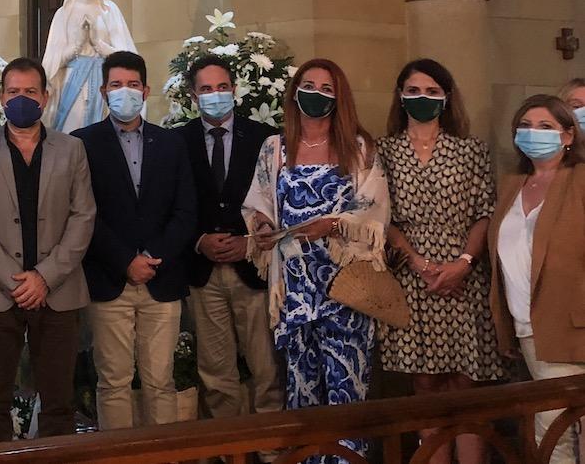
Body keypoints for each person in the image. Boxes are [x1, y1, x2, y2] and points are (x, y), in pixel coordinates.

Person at [243, 58, 389, 464]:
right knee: (302, 392)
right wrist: (261, 223)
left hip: (345, 286)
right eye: (309, 85)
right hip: (294, 287)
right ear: (294, 93)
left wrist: (334, 223)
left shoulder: (358, 148)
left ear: (339, 98)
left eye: (327, 88)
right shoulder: (275, 147)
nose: (317, 94)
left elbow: (374, 210)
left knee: (346, 390)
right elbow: (259, 201)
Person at [0, 57, 96, 444]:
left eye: (30, 92)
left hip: (58, 290)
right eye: (14, 92)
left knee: (58, 402)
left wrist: (44, 277)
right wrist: (15, 280)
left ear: (45, 98)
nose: (22, 99)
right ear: (1, 98)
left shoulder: (72, 149)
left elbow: (83, 216)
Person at [377, 59, 503, 464]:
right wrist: (416, 261)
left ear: (447, 97)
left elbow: (485, 212)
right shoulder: (385, 150)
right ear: (400, 95)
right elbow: (384, 216)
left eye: (432, 91)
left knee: (464, 384)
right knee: (426, 383)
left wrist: (463, 262)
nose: (423, 98)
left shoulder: (470, 148)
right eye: (413, 91)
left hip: (464, 274)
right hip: (413, 275)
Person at [74, 50, 196, 429]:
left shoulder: (172, 144)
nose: (124, 91)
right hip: (110, 279)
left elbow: (186, 211)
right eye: (116, 85)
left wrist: (154, 257)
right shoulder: (82, 144)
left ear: (146, 90)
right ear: (103, 91)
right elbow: (84, 214)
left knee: (161, 382)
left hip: (162, 278)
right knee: (113, 383)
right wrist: (125, 260)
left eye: (132, 84)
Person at [177, 54, 281, 421]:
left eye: (221, 87)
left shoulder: (265, 139)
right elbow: (173, 204)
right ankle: (230, 452)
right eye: (206, 89)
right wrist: (198, 240)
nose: (215, 94)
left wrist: (249, 242)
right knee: (216, 373)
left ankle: (272, 452)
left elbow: (276, 202)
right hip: (203, 272)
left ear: (234, 90)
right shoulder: (178, 141)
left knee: (267, 369)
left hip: (253, 269)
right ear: (193, 95)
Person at [489, 95, 585, 464]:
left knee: (567, 427)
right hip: (529, 327)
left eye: (545, 127)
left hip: (574, 324)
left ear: (568, 136)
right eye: (526, 126)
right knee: (552, 430)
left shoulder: (578, 180)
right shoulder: (512, 184)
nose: (534, 134)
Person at [40, 0, 137, 133]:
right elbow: (52, 61)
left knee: (104, 132)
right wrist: (76, 46)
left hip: (105, 79)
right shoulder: (63, 13)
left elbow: (128, 57)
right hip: (70, 79)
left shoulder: (110, 11)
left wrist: (97, 44)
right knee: (71, 128)